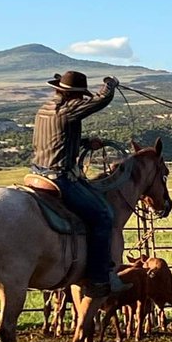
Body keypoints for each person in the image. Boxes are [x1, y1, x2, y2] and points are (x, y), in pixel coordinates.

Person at [30, 70, 128, 298]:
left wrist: (83, 142)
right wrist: (110, 83)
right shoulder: (68, 109)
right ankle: (98, 278)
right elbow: (101, 100)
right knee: (103, 215)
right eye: (80, 96)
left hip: (37, 173)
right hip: (59, 177)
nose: (82, 100)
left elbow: (56, 138)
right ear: (72, 96)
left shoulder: (45, 110)